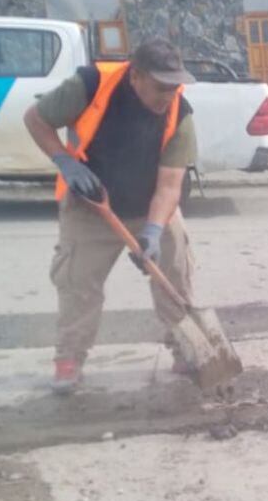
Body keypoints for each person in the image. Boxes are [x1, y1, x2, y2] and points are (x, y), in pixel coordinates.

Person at [24, 38, 198, 393]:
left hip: (149, 204)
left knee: (175, 271)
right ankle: (69, 358)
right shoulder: (89, 85)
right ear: (136, 77)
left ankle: (186, 347)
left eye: (174, 86)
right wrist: (64, 160)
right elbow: (36, 119)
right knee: (78, 283)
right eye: (160, 86)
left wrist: (152, 231)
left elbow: (169, 186)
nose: (168, 95)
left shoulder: (181, 114)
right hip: (90, 207)